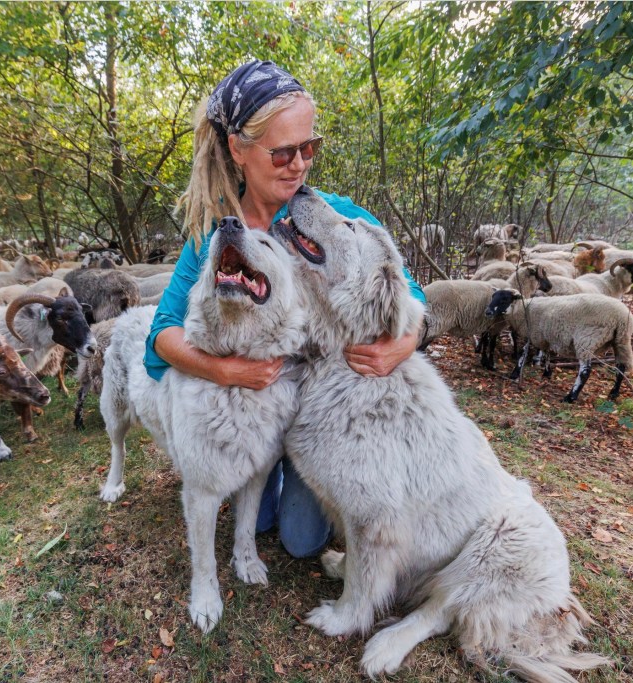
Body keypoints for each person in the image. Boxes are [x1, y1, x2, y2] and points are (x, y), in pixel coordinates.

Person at [143, 60, 426, 558]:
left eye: (309, 148)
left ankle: (297, 474)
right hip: (257, 402)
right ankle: (260, 472)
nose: (299, 164)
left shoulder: (326, 213)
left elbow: (409, 292)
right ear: (239, 149)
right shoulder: (216, 234)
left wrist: (403, 343)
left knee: (300, 541)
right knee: (259, 518)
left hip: (313, 406)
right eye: (283, 152)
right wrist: (224, 370)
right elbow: (162, 335)